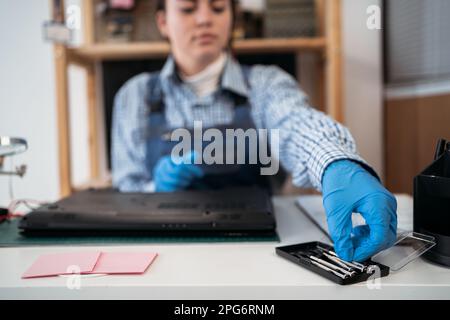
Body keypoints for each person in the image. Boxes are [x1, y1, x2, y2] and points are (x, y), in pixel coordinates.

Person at [111, 0, 397, 262]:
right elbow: (127, 189)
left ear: (232, 18)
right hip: (166, 251)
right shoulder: (135, 95)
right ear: (163, 22)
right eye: (188, 9)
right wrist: (155, 190)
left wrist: (335, 163)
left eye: (218, 8)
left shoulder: (266, 84)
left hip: (262, 247)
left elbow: (295, 122)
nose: (204, 20)